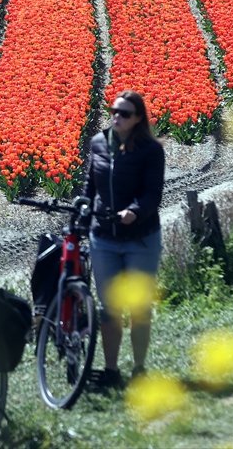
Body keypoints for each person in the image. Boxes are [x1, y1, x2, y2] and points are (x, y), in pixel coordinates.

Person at [85, 90, 165, 389]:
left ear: (139, 118)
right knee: (109, 310)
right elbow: (90, 186)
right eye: (114, 111)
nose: (117, 117)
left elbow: (153, 195)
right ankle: (110, 370)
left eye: (125, 113)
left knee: (140, 309)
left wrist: (135, 211)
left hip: (140, 239)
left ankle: (140, 368)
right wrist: (82, 211)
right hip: (103, 237)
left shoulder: (151, 150)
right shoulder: (98, 143)